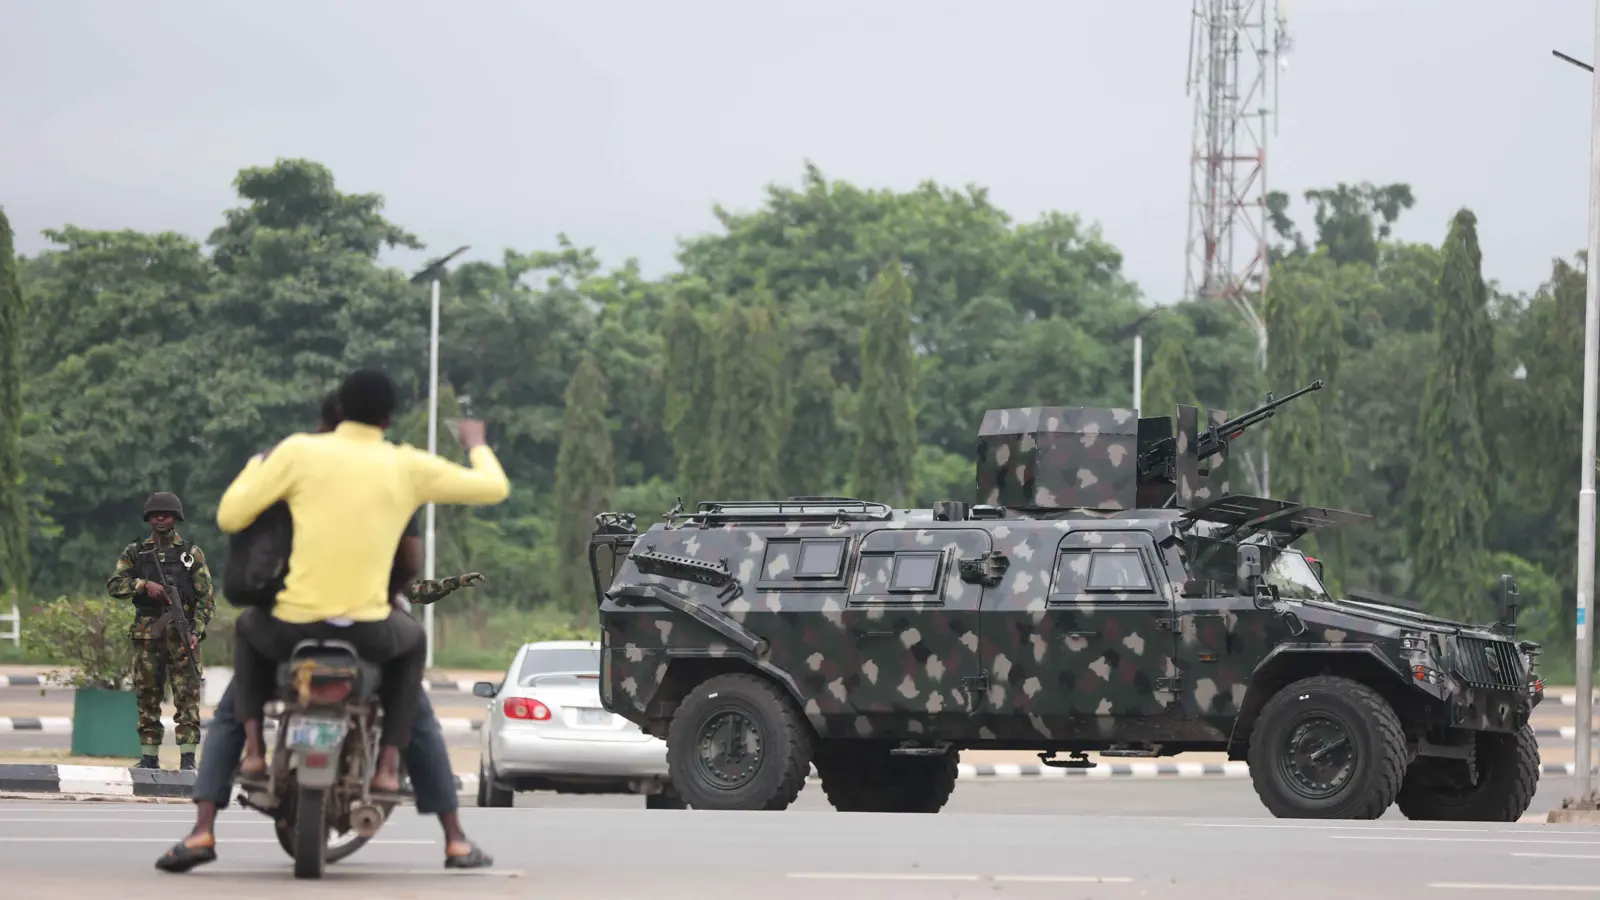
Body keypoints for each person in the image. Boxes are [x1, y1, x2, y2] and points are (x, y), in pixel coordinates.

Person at [156, 391, 495, 873]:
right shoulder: (391, 473)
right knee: (415, 710)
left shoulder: (289, 467)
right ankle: (452, 836)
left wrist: (257, 465)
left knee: (234, 704)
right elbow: (412, 560)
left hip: (288, 630)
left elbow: (238, 525)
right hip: (369, 628)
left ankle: (207, 821)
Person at [106, 492, 215, 771]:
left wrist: (196, 630)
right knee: (147, 695)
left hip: (183, 635)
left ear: (175, 518)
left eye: (166, 514)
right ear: (149, 518)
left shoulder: (191, 554)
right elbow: (115, 584)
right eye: (156, 514)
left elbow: (206, 599)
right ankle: (149, 758)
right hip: (147, 635)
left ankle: (188, 759)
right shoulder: (135, 552)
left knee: (187, 696)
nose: (161, 518)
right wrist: (144, 586)